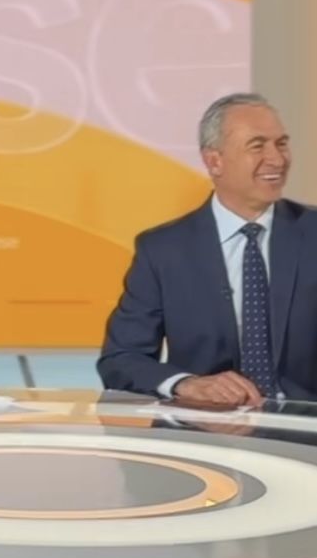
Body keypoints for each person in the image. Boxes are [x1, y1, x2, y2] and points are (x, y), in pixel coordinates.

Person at [99, 91, 317, 409]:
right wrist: (185, 384)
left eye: (281, 144)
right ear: (215, 161)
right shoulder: (163, 250)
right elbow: (121, 358)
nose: (277, 159)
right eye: (257, 146)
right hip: (205, 427)